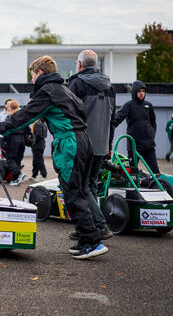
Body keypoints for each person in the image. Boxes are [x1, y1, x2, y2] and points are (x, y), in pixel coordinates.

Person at [0, 55, 107, 259]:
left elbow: (25, 115)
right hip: (85, 140)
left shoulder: (48, 91)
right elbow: (81, 112)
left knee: (72, 192)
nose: (32, 80)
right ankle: (87, 238)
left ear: (40, 73)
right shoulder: (65, 89)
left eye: (32, 75)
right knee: (81, 189)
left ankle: (93, 241)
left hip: (70, 142)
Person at [67, 49, 115, 240]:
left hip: (83, 144)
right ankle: (88, 228)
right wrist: (109, 145)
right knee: (92, 186)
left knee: (81, 187)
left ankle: (100, 226)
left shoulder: (76, 83)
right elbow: (113, 118)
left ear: (80, 64)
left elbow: (69, 115)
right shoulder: (110, 86)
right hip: (102, 144)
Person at [114, 80, 159, 174]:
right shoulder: (128, 105)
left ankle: (159, 187)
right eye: (139, 91)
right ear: (134, 92)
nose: (142, 93)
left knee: (155, 171)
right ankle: (133, 187)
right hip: (134, 145)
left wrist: (151, 134)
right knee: (132, 172)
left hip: (148, 145)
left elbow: (153, 123)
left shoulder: (148, 105)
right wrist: (109, 126)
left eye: (143, 91)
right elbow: (117, 119)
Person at [1, 100, 29, 186]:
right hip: (22, 140)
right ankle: (15, 179)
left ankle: (18, 174)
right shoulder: (23, 117)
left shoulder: (10, 118)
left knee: (10, 159)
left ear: (9, 107)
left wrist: (4, 142)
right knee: (18, 160)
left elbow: (6, 130)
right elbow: (27, 129)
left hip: (13, 139)